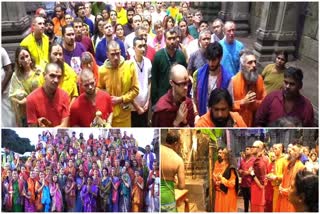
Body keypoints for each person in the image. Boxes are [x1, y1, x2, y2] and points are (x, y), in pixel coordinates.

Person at [98, 41, 139, 127]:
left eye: (117, 53)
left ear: (121, 52)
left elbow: (135, 90)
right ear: (107, 54)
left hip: (125, 114)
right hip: (108, 115)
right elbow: (98, 90)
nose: (116, 57)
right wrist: (107, 98)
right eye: (112, 54)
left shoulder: (129, 66)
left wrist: (121, 98)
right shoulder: (102, 70)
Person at [193, 42, 233, 117]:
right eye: (209, 59)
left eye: (214, 60)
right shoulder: (198, 74)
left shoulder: (228, 78)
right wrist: (196, 115)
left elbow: (230, 104)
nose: (211, 63)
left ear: (220, 58)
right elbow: (193, 98)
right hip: (201, 117)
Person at [228, 50, 266, 127]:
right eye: (250, 62)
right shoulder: (233, 81)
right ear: (242, 66)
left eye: (255, 62)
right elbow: (227, 106)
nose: (254, 65)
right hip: (238, 124)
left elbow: (265, 102)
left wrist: (254, 103)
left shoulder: (260, 79)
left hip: (255, 123)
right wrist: (242, 102)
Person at [151, 28, 187, 106]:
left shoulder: (181, 55)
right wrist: (155, 102)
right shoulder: (158, 56)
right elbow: (154, 80)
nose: (172, 41)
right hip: (162, 99)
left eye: (174, 38)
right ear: (165, 39)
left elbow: (185, 78)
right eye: (169, 39)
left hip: (179, 98)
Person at [26, 63, 70, 127]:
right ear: (44, 75)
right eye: (52, 76)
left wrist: (48, 130)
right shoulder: (31, 99)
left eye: (59, 77)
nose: (56, 80)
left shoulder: (64, 96)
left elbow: (64, 126)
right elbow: (33, 129)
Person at [8, 47, 42, 127]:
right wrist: (20, 100)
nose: (25, 60)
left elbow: (45, 88)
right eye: (22, 58)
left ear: (30, 57)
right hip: (25, 113)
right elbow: (12, 96)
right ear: (18, 61)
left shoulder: (39, 71)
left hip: (40, 109)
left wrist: (28, 99)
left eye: (27, 56)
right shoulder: (16, 76)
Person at [160, 130, 185, 212]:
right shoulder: (178, 159)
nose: (180, 147)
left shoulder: (159, 149)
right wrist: (174, 182)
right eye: (180, 144)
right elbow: (182, 186)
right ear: (175, 144)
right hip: (168, 199)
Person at [130, 36, 152, 127]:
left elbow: (149, 82)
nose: (143, 49)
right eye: (140, 46)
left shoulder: (148, 62)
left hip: (145, 106)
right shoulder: (129, 64)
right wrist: (136, 106)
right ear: (133, 48)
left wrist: (147, 102)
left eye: (144, 46)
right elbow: (128, 88)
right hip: (133, 107)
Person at [277, 144, 305, 212]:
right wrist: (280, 186)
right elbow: (284, 179)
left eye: (293, 150)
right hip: (283, 197)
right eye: (291, 149)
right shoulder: (288, 164)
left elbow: (298, 186)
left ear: (298, 154)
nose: (290, 151)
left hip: (291, 200)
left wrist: (287, 191)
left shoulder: (301, 166)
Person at [213, 147, 238, 212]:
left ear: (227, 155)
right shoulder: (222, 164)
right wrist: (218, 180)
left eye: (223, 153)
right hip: (221, 192)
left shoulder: (231, 167)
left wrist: (222, 179)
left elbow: (232, 184)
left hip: (228, 194)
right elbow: (219, 175)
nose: (221, 154)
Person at [249, 140, 267, 212]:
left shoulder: (260, 163)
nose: (251, 148)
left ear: (259, 148)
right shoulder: (256, 160)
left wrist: (252, 174)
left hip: (258, 194)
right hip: (254, 191)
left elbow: (262, 185)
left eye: (253, 147)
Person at [1, 47, 15, 127]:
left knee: (7, 117)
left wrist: (1, 88)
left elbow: (9, 70)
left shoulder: (1, 50)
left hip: (4, 92)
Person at [238, 145, 255, 212]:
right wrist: (240, 171)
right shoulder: (243, 160)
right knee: (245, 200)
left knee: (252, 200)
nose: (246, 150)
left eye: (247, 149)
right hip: (243, 184)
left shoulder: (254, 160)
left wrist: (247, 172)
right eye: (245, 149)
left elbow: (254, 171)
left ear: (251, 150)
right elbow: (239, 169)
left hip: (251, 184)